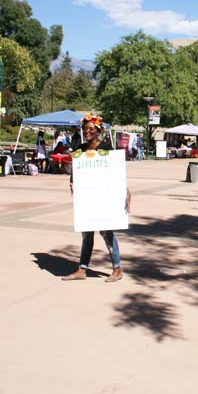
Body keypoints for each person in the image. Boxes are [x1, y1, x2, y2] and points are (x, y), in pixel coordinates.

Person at [63, 113, 130, 282]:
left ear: (98, 130)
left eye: (91, 129)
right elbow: (76, 169)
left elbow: (117, 171)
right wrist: (72, 181)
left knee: (107, 233)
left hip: (104, 197)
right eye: (85, 129)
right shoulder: (81, 149)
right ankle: (82, 269)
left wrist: (126, 190)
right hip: (88, 198)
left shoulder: (106, 147)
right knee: (87, 234)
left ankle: (117, 269)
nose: (87, 132)